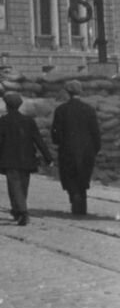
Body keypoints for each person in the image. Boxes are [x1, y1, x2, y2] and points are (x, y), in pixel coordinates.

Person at [0, 92, 52, 226]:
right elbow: (38, 139)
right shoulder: (28, 120)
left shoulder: (3, 120)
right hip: (27, 159)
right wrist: (48, 157)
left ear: (7, 105)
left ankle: (23, 212)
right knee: (23, 187)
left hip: (9, 159)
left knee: (14, 186)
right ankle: (17, 211)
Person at [50, 80, 101, 215]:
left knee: (70, 176)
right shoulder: (89, 109)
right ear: (81, 91)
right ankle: (81, 203)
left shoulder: (61, 110)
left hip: (67, 150)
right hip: (86, 150)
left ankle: (74, 197)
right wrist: (95, 148)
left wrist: (59, 143)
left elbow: (55, 133)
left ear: (67, 92)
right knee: (83, 177)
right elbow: (95, 132)